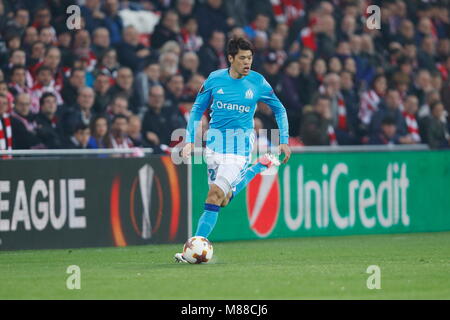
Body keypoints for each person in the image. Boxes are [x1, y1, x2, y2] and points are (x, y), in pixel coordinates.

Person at [174, 37, 291, 263]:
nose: (247, 63)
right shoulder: (214, 79)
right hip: (214, 146)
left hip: (239, 148)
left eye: (250, 58)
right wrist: (189, 140)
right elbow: (197, 110)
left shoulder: (258, 82)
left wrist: (284, 139)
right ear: (230, 58)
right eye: (242, 58)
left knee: (214, 194)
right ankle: (259, 166)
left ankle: (194, 248)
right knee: (223, 199)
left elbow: (280, 109)